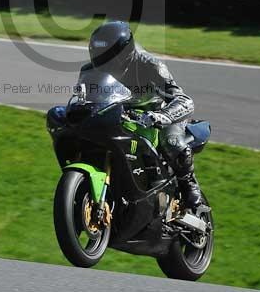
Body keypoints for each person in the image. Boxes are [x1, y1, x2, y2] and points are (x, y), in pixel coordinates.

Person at [84, 20, 202, 209]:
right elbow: (85, 100)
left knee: (172, 142)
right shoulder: (90, 71)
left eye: (108, 56)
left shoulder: (150, 65)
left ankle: (189, 185)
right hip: (124, 115)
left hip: (159, 114)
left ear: (124, 52)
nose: (103, 62)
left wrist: (163, 116)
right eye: (99, 56)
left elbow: (184, 100)